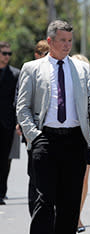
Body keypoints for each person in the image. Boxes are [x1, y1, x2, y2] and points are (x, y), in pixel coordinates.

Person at [16, 20, 90, 234]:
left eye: (70, 41)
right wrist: (35, 136)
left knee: (69, 203)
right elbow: (22, 107)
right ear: (51, 41)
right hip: (45, 140)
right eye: (63, 40)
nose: (67, 45)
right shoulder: (32, 68)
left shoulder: (80, 68)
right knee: (45, 200)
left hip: (75, 141)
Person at [16, 40, 50, 215]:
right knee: (35, 175)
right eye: (44, 54)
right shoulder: (29, 70)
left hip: (53, 134)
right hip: (33, 134)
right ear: (37, 55)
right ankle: (35, 211)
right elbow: (21, 101)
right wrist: (26, 127)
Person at [71, 53, 90, 233]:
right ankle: (67, 215)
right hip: (66, 136)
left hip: (86, 138)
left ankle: (76, 215)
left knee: (83, 178)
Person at [0, 41, 20, 205]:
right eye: (4, 53)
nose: (7, 57)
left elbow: (19, 100)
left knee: (6, 159)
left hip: (8, 123)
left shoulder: (15, 74)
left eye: (9, 54)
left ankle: (1, 191)